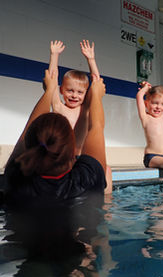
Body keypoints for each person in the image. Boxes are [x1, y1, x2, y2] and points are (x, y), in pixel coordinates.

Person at [4, 69, 107, 206]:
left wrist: (49, 91)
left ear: (30, 144)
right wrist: (97, 96)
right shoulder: (87, 180)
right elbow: (97, 127)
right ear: (71, 148)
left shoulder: (15, 178)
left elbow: (29, 130)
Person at [48, 40, 112, 193]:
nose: (74, 95)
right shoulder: (58, 107)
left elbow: (96, 84)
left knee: (107, 170)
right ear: (62, 90)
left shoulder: (85, 110)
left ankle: (105, 206)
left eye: (79, 92)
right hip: (62, 160)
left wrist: (91, 59)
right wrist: (54, 55)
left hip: (81, 158)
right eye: (70, 90)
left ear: (85, 94)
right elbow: (51, 78)